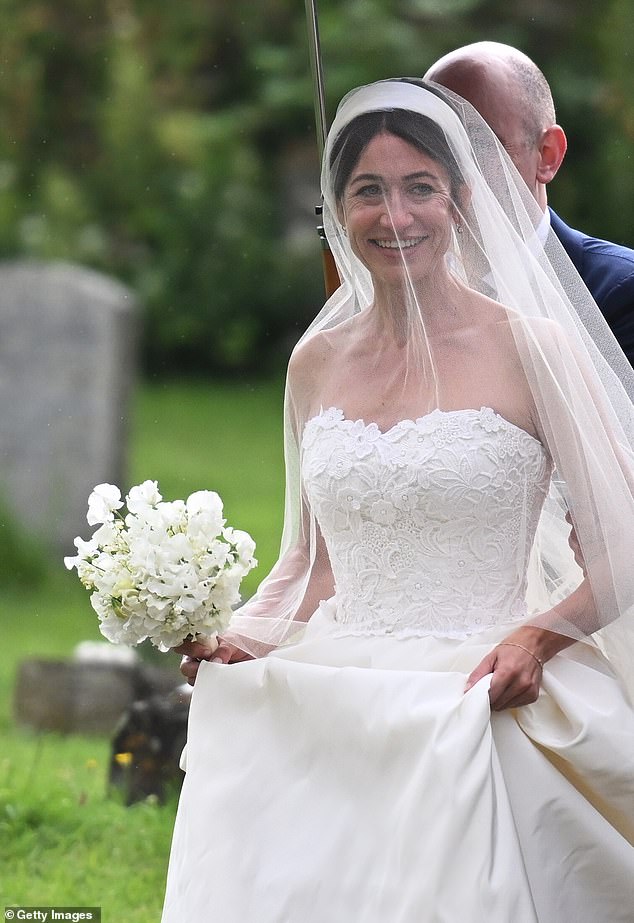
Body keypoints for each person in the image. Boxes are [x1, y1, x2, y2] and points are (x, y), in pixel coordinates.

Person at [163, 79, 634, 922]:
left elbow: (623, 545)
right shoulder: (316, 363)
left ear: (461, 199)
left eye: (420, 186)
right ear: (337, 210)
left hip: (484, 687)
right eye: (368, 191)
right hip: (341, 684)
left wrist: (542, 632)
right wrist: (242, 642)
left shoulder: (533, 346)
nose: (396, 216)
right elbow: (310, 560)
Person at [424, 41, 634, 369]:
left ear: (547, 154)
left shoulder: (621, 292)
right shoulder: (401, 293)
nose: (449, 169)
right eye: (432, 147)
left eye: (479, 145)